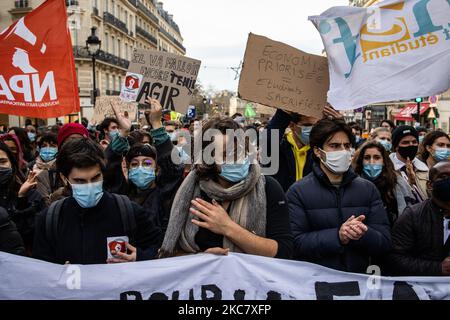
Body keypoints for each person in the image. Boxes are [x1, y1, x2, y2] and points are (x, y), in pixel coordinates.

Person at [158, 116, 293, 259]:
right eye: (225, 154)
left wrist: (228, 228)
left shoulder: (268, 188)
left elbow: (284, 251)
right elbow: (169, 252)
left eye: (239, 151)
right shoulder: (189, 191)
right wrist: (200, 258)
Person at [33, 138, 162, 265]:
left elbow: (158, 248)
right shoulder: (50, 220)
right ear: (64, 178)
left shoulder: (128, 211)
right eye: (80, 181)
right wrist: (57, 273)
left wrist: (139, 257)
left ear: (102, 173)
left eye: (95, 178)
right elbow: (41, 269)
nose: (89, 186)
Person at [287, 118, 391, 273]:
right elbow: (295, 245)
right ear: (317, 151)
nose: (342, 151)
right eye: (334, 146)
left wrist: (363, 233)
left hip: (358, 281)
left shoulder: (367, 189)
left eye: (347, 146)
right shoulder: (298, 192)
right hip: (316, 284)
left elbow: (384, 242)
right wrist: (338, 236)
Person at [386, 161, 450, 276]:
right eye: (444, 177)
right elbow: (394, 259)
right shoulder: (412, 215)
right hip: (421, 289)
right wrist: (438, 268)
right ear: (430, 185)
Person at [264, 106, 342, 192]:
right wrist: (283, 112)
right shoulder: (279, 147)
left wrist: (340, 126)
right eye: (307, 125)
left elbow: (341, 167)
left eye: (316, 125)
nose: (313, 130)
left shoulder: (321, 151)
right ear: (292, 125)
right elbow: (266, 142)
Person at [353, 141, 416, 226]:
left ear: (383, 161)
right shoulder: (353, 185)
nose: (372, 162)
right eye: (367, 158)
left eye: (377, 157)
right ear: (361, 161)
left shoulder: (396, 183)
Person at [0, 141, 46, 253]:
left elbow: (35, 235)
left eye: (2, 162)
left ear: (12, 163)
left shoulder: (31, 195)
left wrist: (22, 200)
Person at [390, 125, 429, 202]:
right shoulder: (387, 168)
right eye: (405, 142)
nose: (411, 145)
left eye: (414, 142)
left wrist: (414, 183)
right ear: (396, 146)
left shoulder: (425, 169)